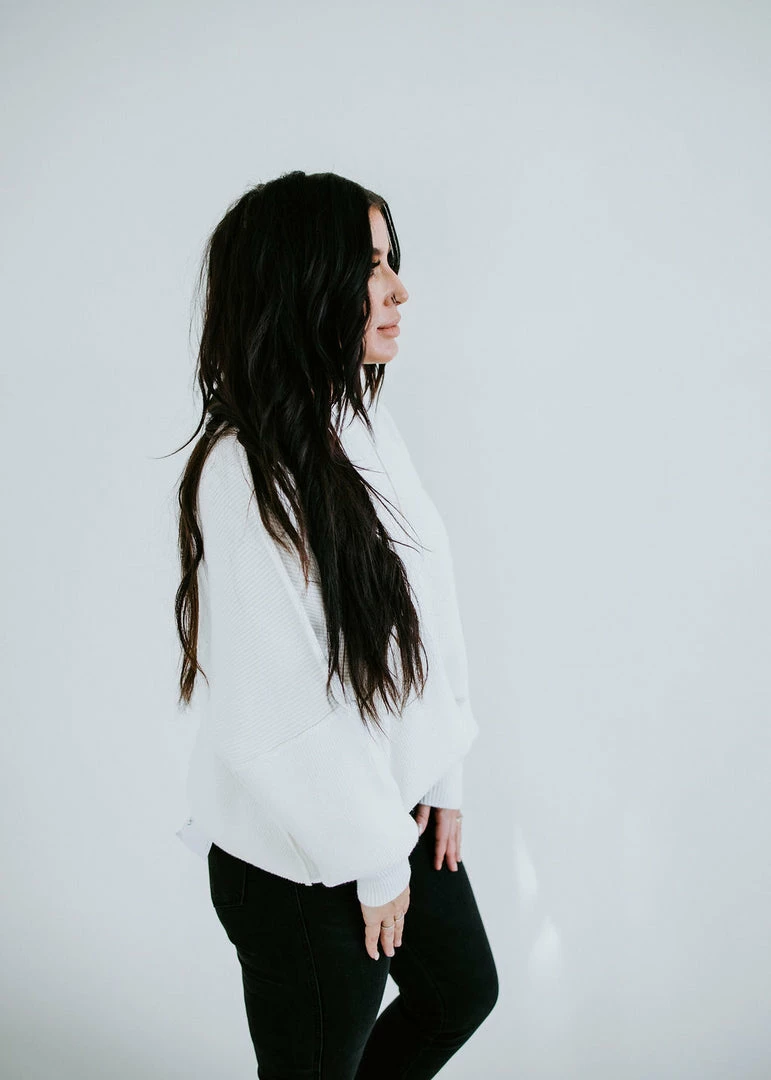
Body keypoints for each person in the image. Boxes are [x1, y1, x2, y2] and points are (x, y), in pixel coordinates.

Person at [172, 170, 498, 1078]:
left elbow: (425, 604)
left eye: (391, 261)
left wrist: (442, 770)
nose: (398, 290)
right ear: (301, 285)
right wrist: (378, 865)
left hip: (390, 814)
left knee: (459, 993)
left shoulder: (356, 419)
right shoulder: (242, 472)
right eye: (370, 267)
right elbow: (280, 713)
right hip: (300, 861)